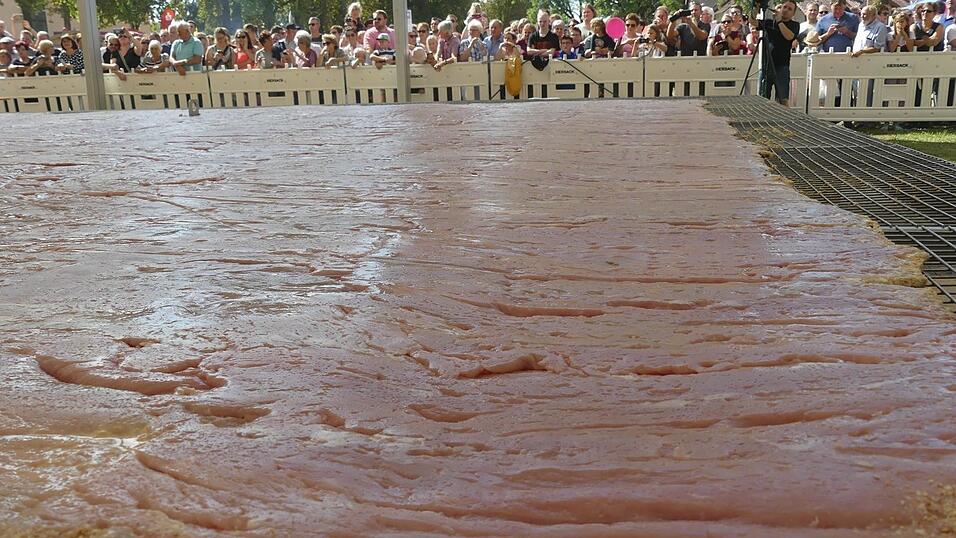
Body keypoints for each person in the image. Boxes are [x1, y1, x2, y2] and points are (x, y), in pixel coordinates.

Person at [762, 0, 801, 106]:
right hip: (766, 66)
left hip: (782, 66)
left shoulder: (794, 25)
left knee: (783, 100)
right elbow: (753, 22)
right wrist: (756, 7)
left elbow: (789, 36)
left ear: (793, 14)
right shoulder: (769, 23)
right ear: (780, 8)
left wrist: (779, 22)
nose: (786, 10)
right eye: (785, 7)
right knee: (762, 98)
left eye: (790, 9)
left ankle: (783, 122)